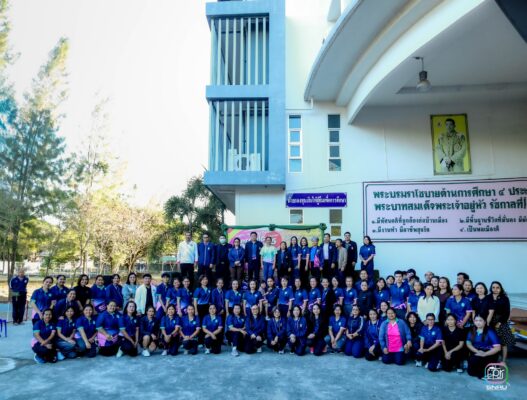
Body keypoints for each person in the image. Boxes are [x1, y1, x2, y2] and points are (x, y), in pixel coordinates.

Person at [488, 281, 515, 365]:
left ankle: (503, 361)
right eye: (493, 287)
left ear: (500, 288)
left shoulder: (504, 298)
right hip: (490, 322)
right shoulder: (488, 297)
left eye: (497, 287)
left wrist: (499, 322)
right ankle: (492, 360)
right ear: (491, 288)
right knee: (491, 342)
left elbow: (507, 312)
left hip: (501, 322)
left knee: (503, 343)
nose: (495, 289)